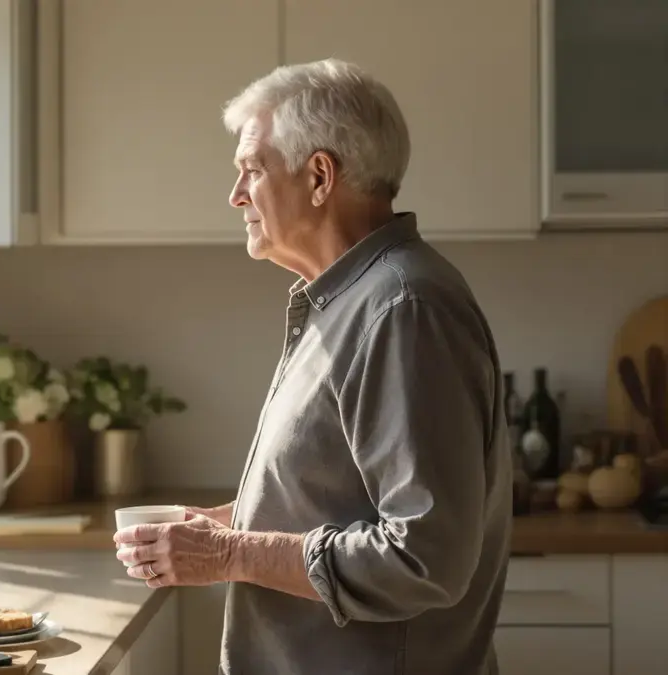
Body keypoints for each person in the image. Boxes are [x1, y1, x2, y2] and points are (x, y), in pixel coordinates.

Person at [113, 59, 512, 674]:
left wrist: (232, 553)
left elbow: (423, 560)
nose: (236, 195)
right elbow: (339, 499)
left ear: (320, 176)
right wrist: (227, 526)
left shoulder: (403, 308)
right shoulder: (351, 299)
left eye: (252, 170)